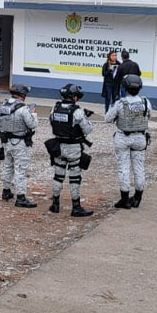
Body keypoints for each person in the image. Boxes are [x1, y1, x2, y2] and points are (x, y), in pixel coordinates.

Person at [46, 83, 94, 217]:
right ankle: (76, 207)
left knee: (58, 176)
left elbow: (52, 123)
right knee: (74, 178)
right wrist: (85, 117)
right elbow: (88, 130)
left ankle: (55, 204)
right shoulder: (77, 111)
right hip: (73, 148)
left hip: (58, 146)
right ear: (74, 97)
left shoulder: (54, 108)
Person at [104, 74, 151, 209]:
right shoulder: (145, 102)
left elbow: (107, 119)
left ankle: (124, 199)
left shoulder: (120, 103)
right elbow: (149, 115)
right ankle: (137, 197)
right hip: (140, 137)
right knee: (139, 168)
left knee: (123, 168)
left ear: (125, 88)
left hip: (123, 137)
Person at [0, 84, 38, 208]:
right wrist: (33, 114)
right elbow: (32, 125)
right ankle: (21, 197)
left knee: (8, 167)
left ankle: (6, 191)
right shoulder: (23, 109)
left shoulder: (4, 105)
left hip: (6, 141)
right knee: (20, 170)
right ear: (23, 95)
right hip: (20, 143)